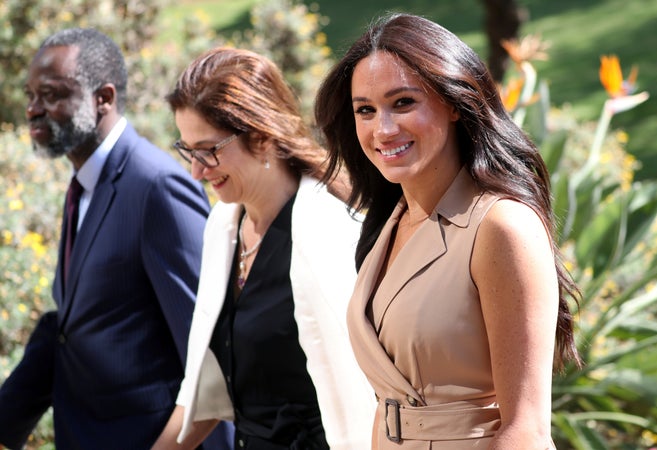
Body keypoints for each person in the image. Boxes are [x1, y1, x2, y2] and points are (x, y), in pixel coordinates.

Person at [314, 13, 582, 449]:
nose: (382, 129)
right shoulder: (392, 220)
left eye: (402, 103)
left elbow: (526, 431)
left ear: (455, 102)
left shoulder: (501, 227)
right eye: (366, 109)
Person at [0, 28, 232, 450]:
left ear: (102, 98)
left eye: (50, 94)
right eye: (30, 95)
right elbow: (69, 327)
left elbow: (211, 356)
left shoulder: (157, 188)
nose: (33, 109)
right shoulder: (81, 187)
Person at [150, 47, 375, 450]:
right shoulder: (225, 224)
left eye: (208, 150)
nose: (196, 171)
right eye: (187, 150)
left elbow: (366, 392)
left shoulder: (325, 228)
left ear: (261, 135)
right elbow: (205, 392)